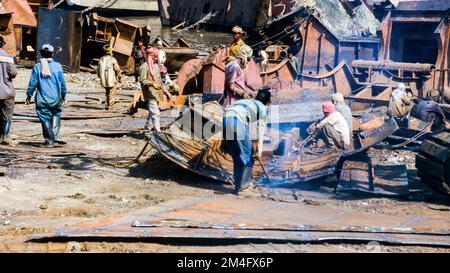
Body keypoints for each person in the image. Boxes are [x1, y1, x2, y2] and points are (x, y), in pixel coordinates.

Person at [223, 87, 271, 194]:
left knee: (237, 156)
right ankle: (244, 188)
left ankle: (238, 187)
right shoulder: (262, 108)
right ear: (267, 102)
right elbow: (260, 131)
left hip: (226, 121)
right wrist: (259, 150)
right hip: (237, 122)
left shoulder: (244, 101)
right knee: (248, 155)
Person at [26, 44, 67, 148]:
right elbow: (62, 83)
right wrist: (63, 94)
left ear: (41, 54)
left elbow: (33, 82)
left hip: (43, 99)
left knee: (45, 118)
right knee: (56, 114)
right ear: (52, 54)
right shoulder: (58, 66)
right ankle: (53, 137)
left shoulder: (37, 66)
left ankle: (49, 141)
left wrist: (29, 95)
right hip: (56, 98)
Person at [140, 47, 164, 132]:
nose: (156, 58)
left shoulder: (156, 66)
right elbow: (142, 80)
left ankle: (147, 129)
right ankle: (158, 132)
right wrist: (152, 84)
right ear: (150, 56)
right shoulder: (144, 67)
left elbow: (159, 80)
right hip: (149, 93)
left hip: (157, 93)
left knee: (152, 113)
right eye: (155, 56)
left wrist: (165, 90)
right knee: (155, 113)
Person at [0, 36, 17, 145]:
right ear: (2, 44)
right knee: (7, 114)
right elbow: (13, 73)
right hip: (6, 91)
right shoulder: (8, 57)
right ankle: (5, 136)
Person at [97, 45, 122, 110]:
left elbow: (98, 70)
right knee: (112, 92)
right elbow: (117, 69)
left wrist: (100, 77)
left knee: (107, 92)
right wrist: (119, 76)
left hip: (104, 80)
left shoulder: (101, 59)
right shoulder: (112, 59)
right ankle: (110, 105)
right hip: (111, 79)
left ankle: (106, 104)